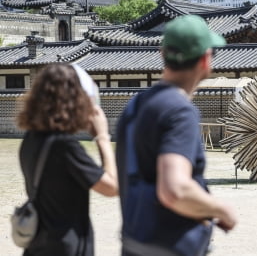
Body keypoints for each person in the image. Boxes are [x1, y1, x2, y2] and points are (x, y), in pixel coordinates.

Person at [117, 15, 237, 256]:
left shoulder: (136, 105)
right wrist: (222, 210)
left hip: (134, 243)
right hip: (170, 246)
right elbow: (175, 190)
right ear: (205, 59)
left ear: (163, 54)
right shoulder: (179, 110)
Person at [17, 63, 118, 256]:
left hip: (37, 245)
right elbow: (112, 187)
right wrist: (103, 137)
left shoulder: (30, 139)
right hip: (65, 247)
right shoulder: (64, 146)